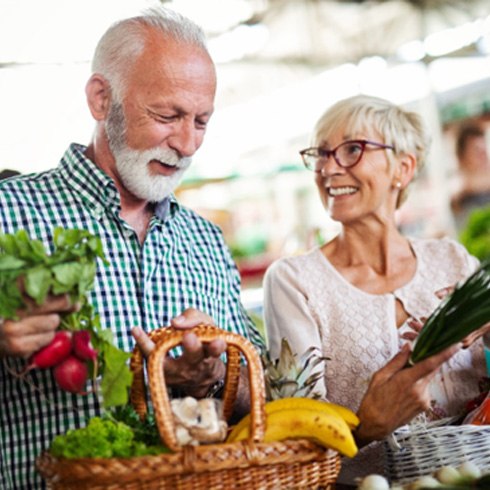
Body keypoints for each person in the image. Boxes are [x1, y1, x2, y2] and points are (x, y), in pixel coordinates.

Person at [0, 7, 264, 489]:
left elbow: (262, 392)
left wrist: (214, 374)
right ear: (102, 99)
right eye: (167, 116)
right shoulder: (7, 214)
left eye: (201, 121)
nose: (186, 144)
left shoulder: (205, 240)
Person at [263, 95, 487, 484]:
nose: (328, 168)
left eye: (352, 149)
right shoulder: (294, 282)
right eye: (321, 153)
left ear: (403, 167)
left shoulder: (452, 260)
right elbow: (298, 443)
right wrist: (368, 426)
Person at [450, 122, 490, 233]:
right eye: (477, 151)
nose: (484, 156)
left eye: (484, 149)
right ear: (461, 157)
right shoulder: (458, 199)